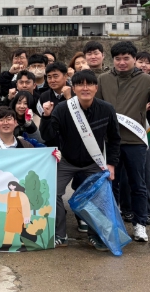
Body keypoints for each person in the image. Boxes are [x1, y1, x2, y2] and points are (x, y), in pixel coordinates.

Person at [39, 69, 120, 250]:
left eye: (89, 84)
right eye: (80, 84)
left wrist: (111, 164)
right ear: (73, 88)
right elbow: (48, 137)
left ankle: (95, 235)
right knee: (52, 192)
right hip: (67, 160)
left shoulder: (106, 109)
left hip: (94, 162)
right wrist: (46, 117)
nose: (85, 88)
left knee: (99, 196)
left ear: (96, 87)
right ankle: (60, 234)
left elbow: (114, 139)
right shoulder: (62, 109)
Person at [95, 41, 150, 242]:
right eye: (117, 59)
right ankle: (112, 224)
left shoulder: (146, 80)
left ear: (134, 59)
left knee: (138, 184)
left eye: (126, 58)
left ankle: (140, 224)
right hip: (110, 141)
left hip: (135, 140)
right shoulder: (103, 79)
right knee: (111, 184)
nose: (122, 62)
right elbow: (97, 106)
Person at [0, 179, 32, 252]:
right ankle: (5, 247)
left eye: (12, 185)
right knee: (8, 231)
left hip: (19, 216)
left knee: (22, 231)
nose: (11, 186)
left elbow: (26, 205)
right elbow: (0, 198)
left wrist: (26, 216)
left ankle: (25, 246)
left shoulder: (21, 194)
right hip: (10, 216)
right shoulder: (8, 194)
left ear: (16, 185)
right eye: (10, 185)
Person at [38, 62, 72, 145]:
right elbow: (44, 131)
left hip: (73, 142)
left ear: (65, 76)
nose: (52, 80)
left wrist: (69, 99)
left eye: (55, 76)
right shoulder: (44, 96)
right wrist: (46, 116)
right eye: (49, 77)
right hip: (53, 143)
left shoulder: (76, 93)